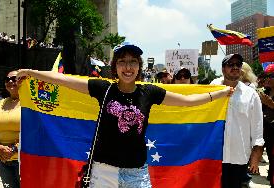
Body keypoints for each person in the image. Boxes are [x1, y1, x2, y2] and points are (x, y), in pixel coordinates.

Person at [16, 42, 233, 187]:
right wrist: (31, 73)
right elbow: (65, 81)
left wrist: (219, 94)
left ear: (139, 66)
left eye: (132, 62)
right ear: (115, 66)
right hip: (103, 172)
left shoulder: (150, 92)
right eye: (122, 61)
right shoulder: (104, 88)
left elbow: (187, 102)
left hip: (137, 173)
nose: (127, 67)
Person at [210, 54, 264, 188]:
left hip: (239, 155)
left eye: (238, 65)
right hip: (214, 154)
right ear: (223, 69)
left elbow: (257, 126)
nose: (235, 67)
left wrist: (256, 155)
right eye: (230, 64)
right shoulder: (212, 90)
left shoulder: (251, 94)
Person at [0, 70, 20, 188]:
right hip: (3, 160)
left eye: (14, 78)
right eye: (7, 79)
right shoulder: (1, 102)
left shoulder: (31, 103)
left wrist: (12, 149)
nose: (10, 81)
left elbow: (36, 131)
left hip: (23, 160)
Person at [259, 66, 274, 188]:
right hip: (267, 130)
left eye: (271, 76)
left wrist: (271, 104)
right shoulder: (265, 92)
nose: (267, 79)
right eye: (266, 76)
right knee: (270, 155)